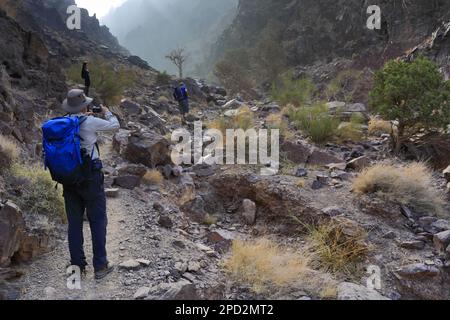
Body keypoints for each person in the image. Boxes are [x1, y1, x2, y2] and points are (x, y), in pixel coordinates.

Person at [61, 89, 120, 280]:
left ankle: (77, 267)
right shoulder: (90, 121)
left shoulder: (61, 122)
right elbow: (114, 126)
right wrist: (106, 112)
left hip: (69, 178)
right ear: (85, 106)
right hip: (91, 178)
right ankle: (101, 266)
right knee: (97, 220)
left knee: (75, 223)